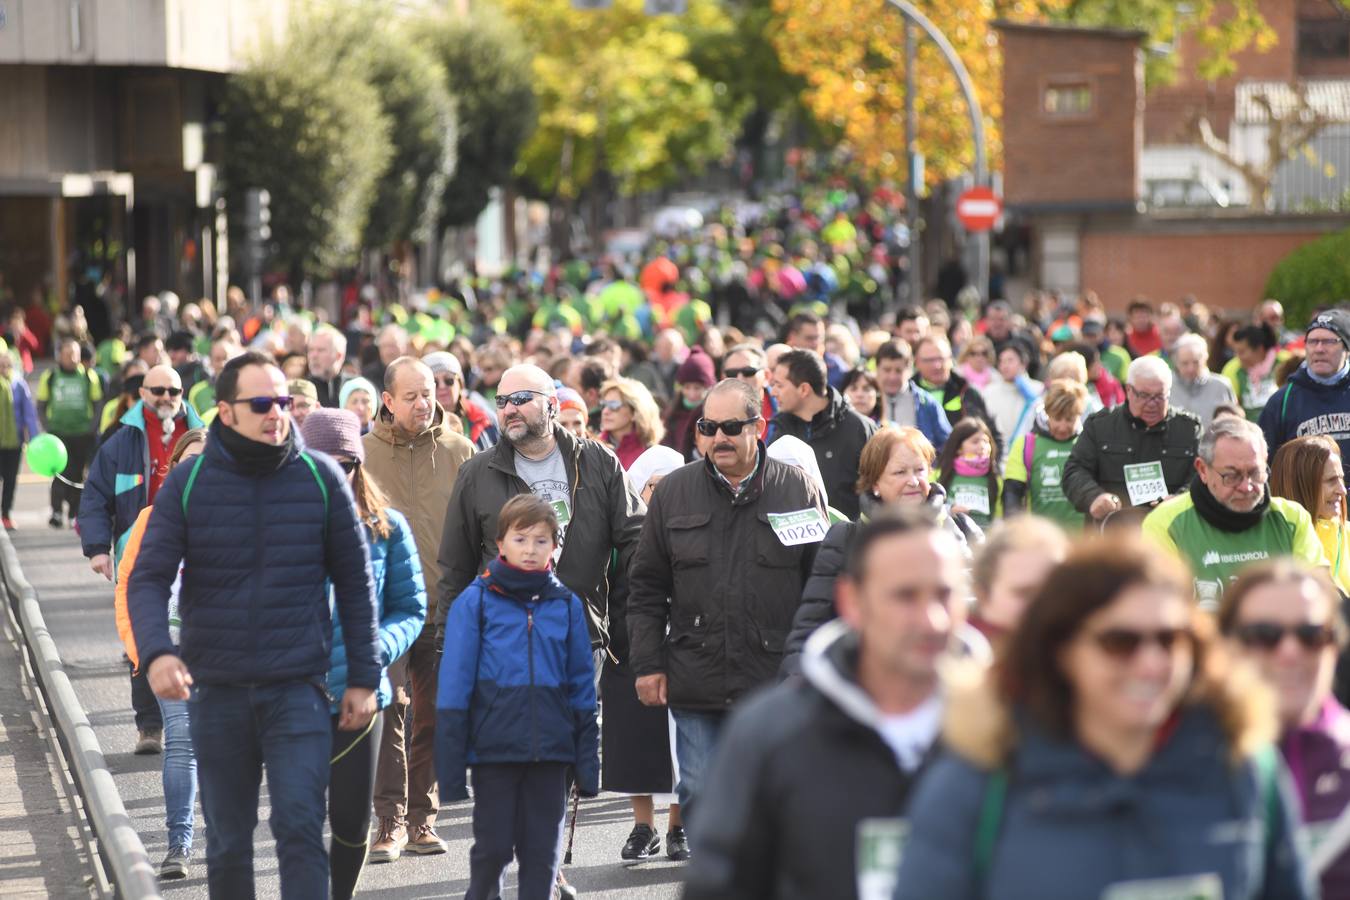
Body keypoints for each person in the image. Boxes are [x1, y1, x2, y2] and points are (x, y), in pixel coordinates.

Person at [894, 536, 1314, 900]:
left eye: (1169, 640)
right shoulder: (977, 787)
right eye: (1120, 642)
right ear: (1063, 650)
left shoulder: (1245, 768)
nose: (1151, 664)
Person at [128, 350, 381, 898]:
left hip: (298, 689)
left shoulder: (321, 478)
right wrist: (156, 653)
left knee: (298, 827)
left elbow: (357, 584)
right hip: (217, 693)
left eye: (284, 401)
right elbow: (147, 578)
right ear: (224, 411)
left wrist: (363, 676)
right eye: (262, 403)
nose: (277, 414)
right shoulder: (190, 481)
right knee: (227, 842)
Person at [684, 508, 974, 900]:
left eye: (944, 594)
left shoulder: (1012, 730)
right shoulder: (771, 733)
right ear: (852, 602)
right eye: (905, 595)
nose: (932, 619)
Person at [627, 378, 826, 827]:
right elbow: (646, 588)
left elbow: (820, 588)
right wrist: (647, 664)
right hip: (696, 673)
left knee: (772, 791)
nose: (719, 437)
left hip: (775, 678)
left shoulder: (796, 489)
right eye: (709, 426)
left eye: (732, 427)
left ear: (759, 426)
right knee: (698, 788)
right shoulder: (674, 493)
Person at [435, 495, 599, 900]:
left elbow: (582, 687)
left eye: (541, 540)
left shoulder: (566, 605)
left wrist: (587, 761)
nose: (530, 549)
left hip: (552, 755)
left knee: (542, 858)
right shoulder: (474, 602)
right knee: (492, 853)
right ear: (499, 543)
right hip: (495, 753)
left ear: (555, 548)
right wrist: (450, 770)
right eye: (520, 538)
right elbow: (454, 687)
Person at [436, 361, 645, 669]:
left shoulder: (597, 461)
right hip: (503, 643)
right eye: (502, 401)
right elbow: (455, 568)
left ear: (552, 406)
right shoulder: (476, 473)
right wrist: (449, 647)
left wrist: (639, 618)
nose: (509, 409)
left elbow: (638, 540)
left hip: (580, 641)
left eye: (521, 399)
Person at [301, 409, 426, 900]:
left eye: (346, 463)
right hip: (294, 695)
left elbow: (410, 608)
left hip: (362, 693)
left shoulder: (387, 527)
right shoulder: (282, 525)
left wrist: (378, 646)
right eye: (322, 464)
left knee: (352, 822)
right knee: (301, 818)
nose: (337, 474)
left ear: (359, 464)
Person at [364, 356, 474, 863]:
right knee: (391, 711)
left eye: (428, 392)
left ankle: (422, 819)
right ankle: (387, 822)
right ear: (387, 401)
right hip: (382, 613)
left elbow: (477, 528)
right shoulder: (363, 454)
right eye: (410, 396)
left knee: (431, 717)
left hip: (443, 606)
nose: (422, 403)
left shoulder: (459, 450)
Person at [779, 426, 984, 677]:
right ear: (874, 482)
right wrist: (798, 690)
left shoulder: (963, 530)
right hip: (869, 688)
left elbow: (985, 615)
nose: (913, 481)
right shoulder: (844, 539)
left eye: (919, 470)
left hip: (953, 685)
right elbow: (810, 628)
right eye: (899, 472)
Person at [81, 364, 205, 754]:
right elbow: (96, 495)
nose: (167, 397)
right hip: (142, 542)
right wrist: (99, 548)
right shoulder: (122, 441)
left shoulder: (207, 437)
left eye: (174, 390)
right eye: (158, 390)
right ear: (142, 393)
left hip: (195, 544)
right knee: (143, 632)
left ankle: (195, 720)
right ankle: (150, 726)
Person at [1220, 561, 1350, 897]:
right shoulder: (1183, 764)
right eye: (1264, 636)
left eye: (1311, 636)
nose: (1290, 652)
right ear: (1226, 647)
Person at [114, 428, 207, 880]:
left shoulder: (238, 514)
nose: (197, 470)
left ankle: (230, 845)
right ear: (171, 469)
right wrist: (144, 654)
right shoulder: (151, 519)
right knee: (183, 743)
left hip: (229, 654)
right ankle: (179, 844)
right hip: (172, 654)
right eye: (188, 462)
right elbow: (129, 588)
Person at [1142, 416, 1326, 608]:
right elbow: (1163, 608)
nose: (1246, 487)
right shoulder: (1165, 522)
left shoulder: (1292, 517)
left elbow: (1319, 595)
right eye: (1231, 476)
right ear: (1203, 470)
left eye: (1255, 473)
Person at [606, 445, 689, 863]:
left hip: (684, 650)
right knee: (637, 740)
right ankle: (644, 826)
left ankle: (678, 825)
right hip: (630, 645)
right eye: (655, 486)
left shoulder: (692, 529)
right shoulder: (621, 537)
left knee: (680, 742)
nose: (662, 494)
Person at [1063, 356, 1201, 527]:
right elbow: (1074, 470)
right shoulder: (1100, 426)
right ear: (1128, 390)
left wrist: (1180, 499)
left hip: (1171, 531)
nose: (1152, 404)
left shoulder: (1188, 429)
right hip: (1111, 532)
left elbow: (1202, 476)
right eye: (1144, 395)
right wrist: (1094, 497)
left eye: (1159, 396)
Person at [767, 349, 877, 520]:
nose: (773, 392)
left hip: (850, 542)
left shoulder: (860, 429)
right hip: (795, 543)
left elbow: (879, 493)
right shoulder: (780, 429)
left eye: (779, 385)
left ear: (804, 389)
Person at [1260, 309, 1350, 464]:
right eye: (1313, 341)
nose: (1319, 349)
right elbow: (1266, 463)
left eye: (1329, 341)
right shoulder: (1282, 401)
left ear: (1346, 349)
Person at [1002, 380, 1090, 531]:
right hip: (1040, 539)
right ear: (1047, 413)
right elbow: (1012, 494)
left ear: (1079, 415)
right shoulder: (1025, 444)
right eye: (1057, 419)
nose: (1062, 427)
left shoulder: (1087, 444)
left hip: (1081, 542)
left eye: (1070, 419)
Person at [967, 516, 1069, 645]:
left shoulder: (1084, 652)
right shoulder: (951, 657)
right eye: (1024, 593)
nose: (1045, 604)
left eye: (1055, 590)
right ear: (983, 595)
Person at [37, 336, 104, 528]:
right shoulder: (50, 377)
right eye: (67, 354)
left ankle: (75, 513)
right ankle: (56, 511)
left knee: (77, 474)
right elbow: (41, 404)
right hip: (58, 433)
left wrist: (92, 427)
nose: (71, 358)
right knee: (58, 473)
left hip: (82, 434)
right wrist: (47, 427)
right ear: (60, 356)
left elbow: (97, 403)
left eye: (74, 353)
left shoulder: (89, 376)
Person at [1271, 435, 1350, 595]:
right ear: (1299, 484)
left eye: (1341, 479)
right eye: (1331, 480)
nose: (1342, 490)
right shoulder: (1275, 544)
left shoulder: (1347, 533)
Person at [874, 339, 951, 449]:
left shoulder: (926, 403)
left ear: (909, 370)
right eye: (887, 370)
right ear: (877, 369)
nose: (892, 377)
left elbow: (948, 444)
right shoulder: (867, 401)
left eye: (898, 371)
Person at [422, 351, 499, 450]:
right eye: (435, 383)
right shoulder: (418, 428)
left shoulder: (486, 418)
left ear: (460, 384)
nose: (442, 387)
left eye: (449, 380)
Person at [914, 334, 992, 432]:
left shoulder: (967, 391)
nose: (937, 365)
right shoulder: (908, 392)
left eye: (941, 358)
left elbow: (991, 432)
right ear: (916, 362)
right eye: (929, 360)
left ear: (950, 359)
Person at [934, 417, 1001, 531]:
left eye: (986, 441)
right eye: (975, 441)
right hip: (952, 540)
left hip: (984, 542)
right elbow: (929, 510)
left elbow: (1000, 517)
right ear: (958, 448)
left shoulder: (996, 479)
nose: (982, 446)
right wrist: (949, 510)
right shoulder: (939, 476)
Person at [981, 340, 1042, 457]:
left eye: (1010, 360)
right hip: (999, 453)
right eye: (1002, 361)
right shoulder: (989, 392)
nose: (1005, 366)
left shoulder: (1037, 389)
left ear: (1023, 363)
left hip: (1028, 452)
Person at [0, 352, 39, 530]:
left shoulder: (19, 384)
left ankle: (6, 514)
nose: (4, 368)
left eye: (7, 365)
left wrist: (34, 438)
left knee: (10, 480)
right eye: (1, 365)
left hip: (14, 442)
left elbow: (29, 414)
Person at [1224, 323, 1288, 421]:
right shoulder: (1232, 369)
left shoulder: (1285, 362)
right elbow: (1231, 406)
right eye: (1235, 352)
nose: (1238, 357)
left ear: (1260, 349)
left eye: (1242, 352)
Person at [599, 377, 665, 470]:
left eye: (613, 405)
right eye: (604, 405)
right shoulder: (594, 447)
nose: (605, 411)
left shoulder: (652, 453)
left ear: (635, 412)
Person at [1171, 332, 1237, 425]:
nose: (1191, 368)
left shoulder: (1221, 386)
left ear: (1205, 359)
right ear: (1176, 362)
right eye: (1185, 363)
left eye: (1196, 362)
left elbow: (1235, 423)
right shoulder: (1167, 388)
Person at [662, 346, 716, 460]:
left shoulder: (713, 417)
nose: (691, 394)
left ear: (708, 387)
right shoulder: (672, 414)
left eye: (697, 388)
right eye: (687, 387)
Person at [307, 325, 350, 407]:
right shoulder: (303, 389)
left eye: (321, 350)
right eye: (311, 350)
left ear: (339, 356)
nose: (314, 355)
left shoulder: (355, 387)